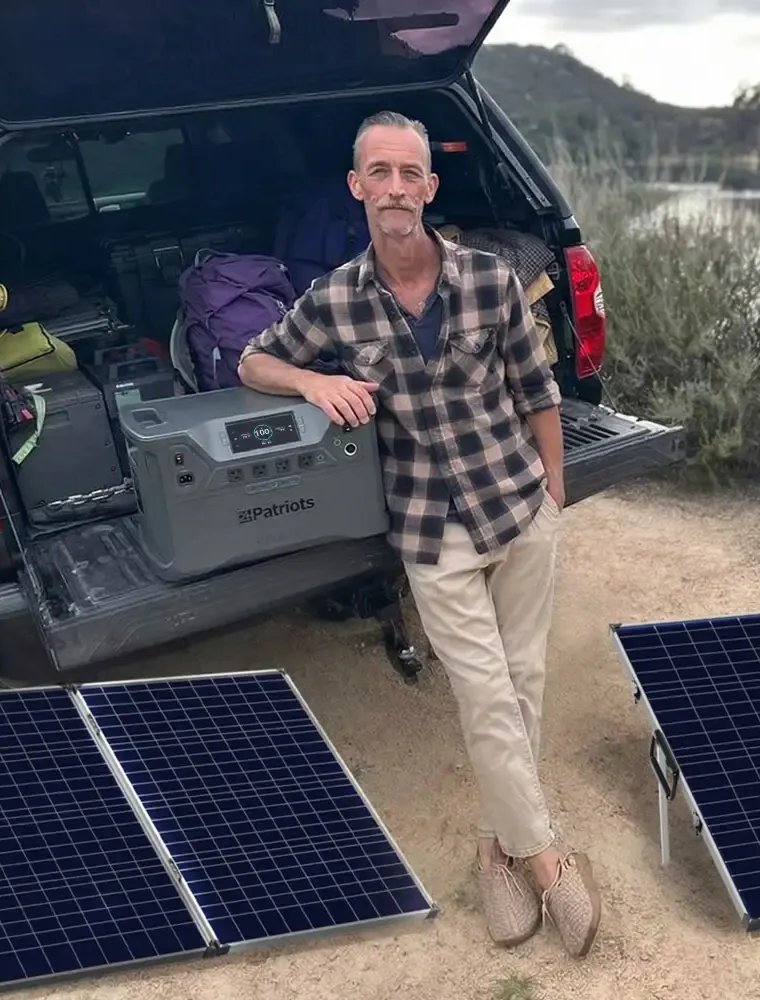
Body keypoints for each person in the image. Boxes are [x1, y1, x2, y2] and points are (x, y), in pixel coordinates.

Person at [237, 110, 601, 956]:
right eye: (380, 173)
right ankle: (546, 860)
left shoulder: (489, 279)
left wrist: (554, 491)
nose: (396, 189)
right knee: (483, 692)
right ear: (357, 186)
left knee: (525, 678)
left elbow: (538, 390)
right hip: (431, 528)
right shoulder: (335, 299)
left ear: (430, 188)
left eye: (410, 174)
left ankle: (493, 848)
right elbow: (253, 358)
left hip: (517, 503)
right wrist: (312, 382)